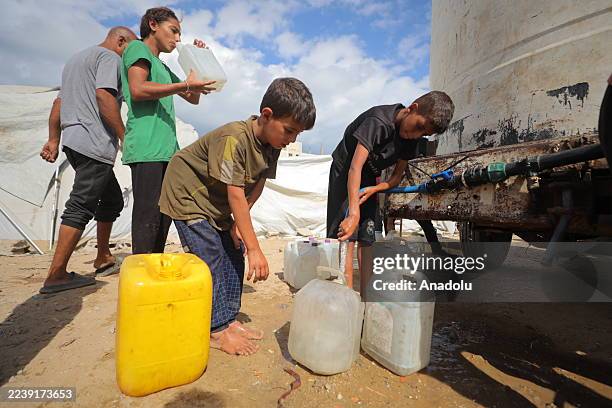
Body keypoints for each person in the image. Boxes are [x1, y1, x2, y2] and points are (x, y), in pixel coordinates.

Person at [159, 78, 316, 355]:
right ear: (267, 115)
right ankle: (216, 331)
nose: (292, 139)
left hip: (215, 202)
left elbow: (257, 184)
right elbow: (235, 194)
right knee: (211, 257)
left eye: (297, 134)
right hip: (187, 194)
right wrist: (256, 248)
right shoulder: (234, 138)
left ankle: (228, 320)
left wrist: (237, 229)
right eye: (289, 130)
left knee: (233, 251)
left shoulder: (273, 145)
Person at [39, 27, 138, 294]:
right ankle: (56, 274)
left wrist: (53, 139)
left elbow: (58, 103)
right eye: (131, 49)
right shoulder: (110, 59)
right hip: (94, 141)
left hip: (74, 140)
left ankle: (102, 256)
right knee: (81, 205)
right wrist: (124, 137)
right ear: (120, 42)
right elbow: (104, 96)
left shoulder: (76, 60)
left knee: (112, 200)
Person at [326, 91, 454, 292]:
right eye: (419, 127)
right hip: (346, 170)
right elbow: (354, 168)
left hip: (368, 178)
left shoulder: (411, 141)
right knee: (348, 233)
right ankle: (347, 295)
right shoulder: (378, 122)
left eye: (424, 134)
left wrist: (374, 189)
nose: (416, 135)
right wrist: (353, 212)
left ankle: (367, 297)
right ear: (412, 108)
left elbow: (395, 178)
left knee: (367, 236)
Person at [121, 6, 215, 254]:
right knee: (147, 217)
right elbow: (138, 89)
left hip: (166, 151)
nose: (177, 39)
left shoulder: (161, 67)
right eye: (173, 31)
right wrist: (185, 83)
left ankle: (153, 271)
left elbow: (193, 97)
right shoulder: (137, 48)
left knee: (163, 217)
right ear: (153, 24)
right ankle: (141, 274)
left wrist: (198, 62)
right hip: (147, 147)